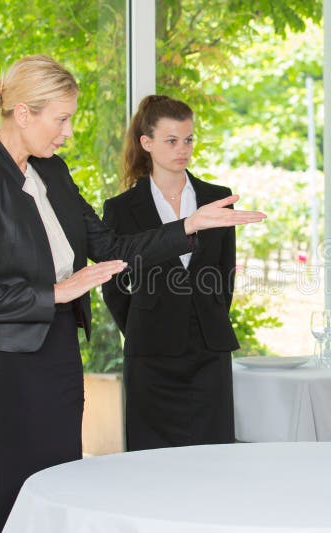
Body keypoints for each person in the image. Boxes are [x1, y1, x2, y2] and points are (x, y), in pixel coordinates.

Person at [0, 55, 265, 533]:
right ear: (24, 113)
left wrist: (188, 225)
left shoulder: (54, 174)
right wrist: (55, 291)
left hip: (60, 355)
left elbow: (113, 247)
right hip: (5, 369)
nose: (67, 132)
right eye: (62, 119)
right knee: (9, 494)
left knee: (61, 488)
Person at [101, 95, 239, 451]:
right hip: (151, 354)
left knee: (214, 456)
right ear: (146, 143)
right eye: (172, 140)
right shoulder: (120, 209)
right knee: (151, 462)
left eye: (189, 139)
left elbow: (224, 276)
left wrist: (206, 316)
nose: (183, 149)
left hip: (210, 351)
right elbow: (114, 284)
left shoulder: (218, 197)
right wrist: (140, 324)